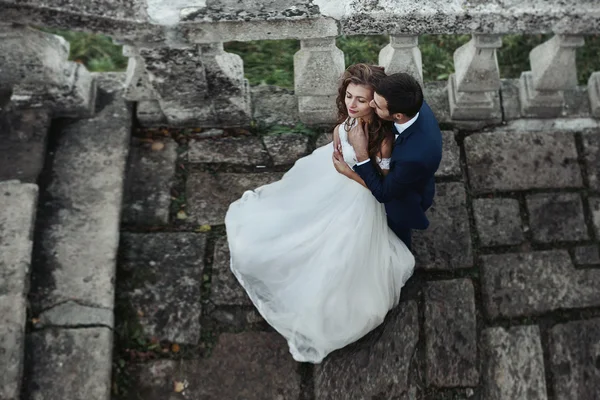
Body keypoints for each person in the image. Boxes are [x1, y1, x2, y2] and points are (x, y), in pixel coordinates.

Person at [225, 64, 415, 364]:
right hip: (331, 180)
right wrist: (339, 157)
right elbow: (338, 145)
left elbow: (382, 188)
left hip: (358, 197)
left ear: (376, 103)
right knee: (290, 225)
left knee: (338, 256)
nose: (352, 104)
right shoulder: (347, 121)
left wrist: (350, 168)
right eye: (349, 96)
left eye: (361, 100)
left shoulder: (383, 140)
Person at [333, 73, 443, 250]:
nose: (370, 104)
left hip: (403, 196)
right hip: (396, 172)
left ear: (397, 115)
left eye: (376, 105)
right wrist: (340, 129)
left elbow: (384, 193)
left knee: (396, 236)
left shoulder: (414, 157)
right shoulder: (407, 98)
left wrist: (359, 158)